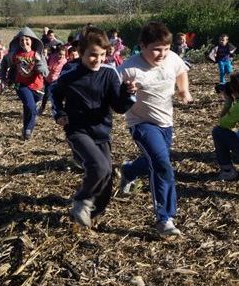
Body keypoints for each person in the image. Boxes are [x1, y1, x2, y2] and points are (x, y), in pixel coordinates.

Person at [51, 27, 137, 227]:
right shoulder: (70, 73)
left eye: (102, 54)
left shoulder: (109, 73)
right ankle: (81, 200)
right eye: (92, 55)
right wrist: (59, 113)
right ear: (81, 52)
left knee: (106, 179)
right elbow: (55, 93)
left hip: (102, 131)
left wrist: (128, 93)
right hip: (77, 129)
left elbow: (118, 107)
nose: (98, 59)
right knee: (99, 167)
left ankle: (91, 215)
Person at [118, 21, 193, 236]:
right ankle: (164, 218)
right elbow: (112, 90)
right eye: (156, 49)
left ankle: (129, 170)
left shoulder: (173, 59)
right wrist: (126, 90)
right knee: (162, 164)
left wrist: (183, 90)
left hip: (165, 122)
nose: (162, 54)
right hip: (141, 123)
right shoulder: (129, 68)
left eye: (166, 49)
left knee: (155, 160)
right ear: (142, 46)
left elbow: (181, 72)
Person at [1, 27, 49, 140]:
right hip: (21, 85)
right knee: (31, 107)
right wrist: (3, 76)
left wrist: (38, 62)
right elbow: (4, 61)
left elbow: (45, 73)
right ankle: (28, 130)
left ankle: (25, 128)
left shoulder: (37, 54)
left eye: (27, 39)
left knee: (28, 108)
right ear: (18, 42)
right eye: (21, 40)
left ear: (32, 41)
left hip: (37, 87)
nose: (24, 42)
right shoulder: (15, 55)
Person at [38, 43, 67, 115]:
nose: (62, 56)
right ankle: (42, 107)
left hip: (57, 81)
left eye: (63, 54)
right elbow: (46, 65)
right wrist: (48, 68)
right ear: (56, 53)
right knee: (46, 94)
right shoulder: (51, 57)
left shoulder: (65, 61)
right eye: (60, 54)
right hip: (49, 79)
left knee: (56, 96)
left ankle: (56, 110)